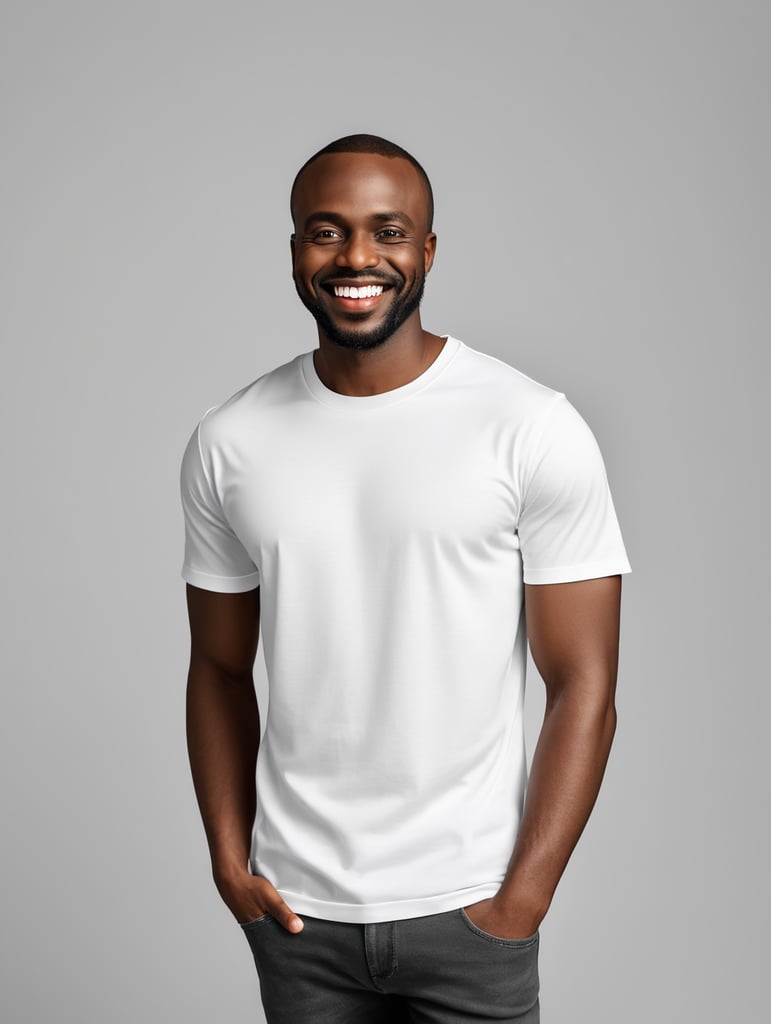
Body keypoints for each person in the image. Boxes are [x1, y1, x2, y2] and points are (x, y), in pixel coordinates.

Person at [180, 134, 631, 1023]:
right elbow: (218, 670)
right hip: (299, 920)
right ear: (296, 253)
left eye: (388, 232)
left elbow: (584, 683)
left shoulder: (529, 428)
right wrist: (231, 866)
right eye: (326, 231)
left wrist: (520, 902)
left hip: (471, 910)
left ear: (425, 252)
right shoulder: (228, 442)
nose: (356, 257)